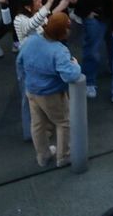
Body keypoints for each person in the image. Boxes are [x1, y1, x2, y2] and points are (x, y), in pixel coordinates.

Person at [17, 11, 80, 168]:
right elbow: (70, 76)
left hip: (31, 89)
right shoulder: (59, 51)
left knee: (38, 124)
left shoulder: (30, 41)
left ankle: (43, 156)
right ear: (62, 31)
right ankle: (64, 156)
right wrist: (76, 66)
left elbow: (19, 62)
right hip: (51, 93)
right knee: (63, 122)